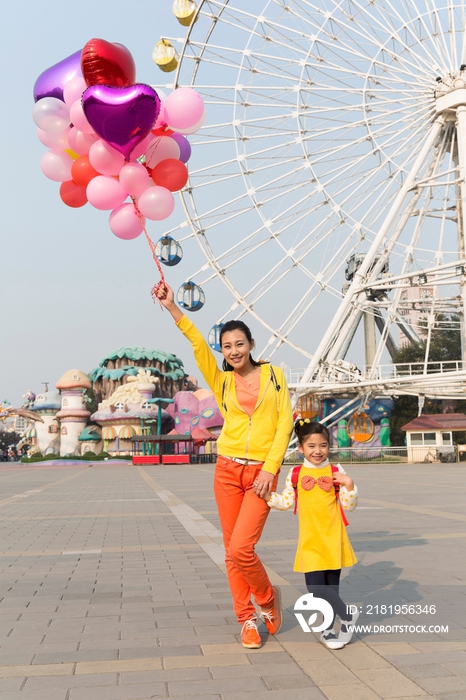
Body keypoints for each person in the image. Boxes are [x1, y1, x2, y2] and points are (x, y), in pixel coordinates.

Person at [156, 284, 293, 649]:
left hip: (262, 473)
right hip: (228, 470)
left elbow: (284, 424)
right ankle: (247, 619)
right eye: (227, 346)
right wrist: (173, 309)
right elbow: (199, 346)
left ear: (251, 344)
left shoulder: (276, 377)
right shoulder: (221, 380)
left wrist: (270, 468)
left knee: (241, 550)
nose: (233, 351)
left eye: (239, 344)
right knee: (230, 549)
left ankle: (265, 599)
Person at [262, 419, 359, 649]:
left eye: (323, 445)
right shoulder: (295, 474)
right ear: (301, 448)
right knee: (316, 589)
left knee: (331, 589)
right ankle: (347, 615)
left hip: (334, 539)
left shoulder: (336, 471)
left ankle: (328, 631)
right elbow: (287, 501)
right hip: (310, 540)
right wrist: (267, 497)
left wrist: (349, 484)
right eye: (312, 446)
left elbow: (350, 505)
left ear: (329, 446)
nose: (318, 451)